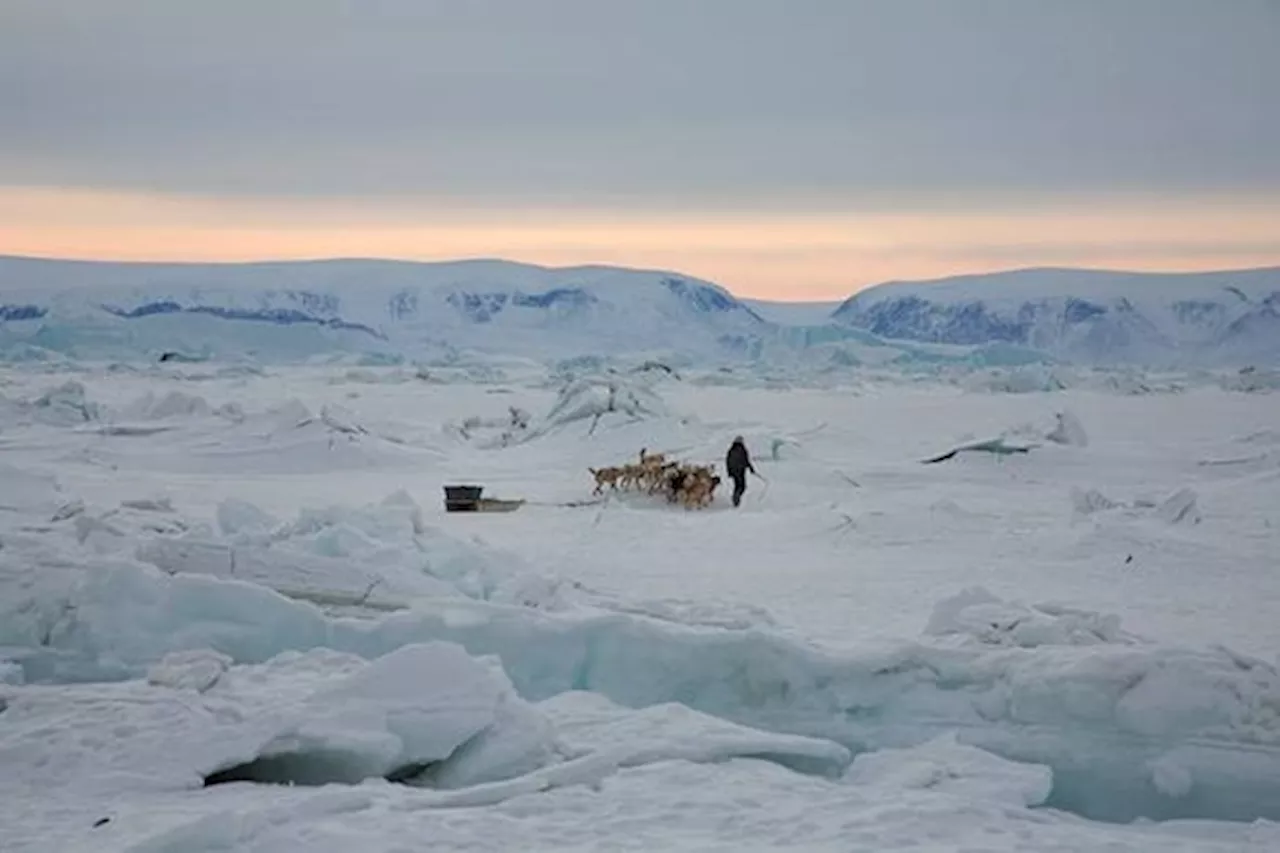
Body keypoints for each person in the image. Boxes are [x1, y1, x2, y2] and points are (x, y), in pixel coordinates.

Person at [725, 435, 756, 507]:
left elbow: (728, 461)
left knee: (737, 485)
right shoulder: (742, 449)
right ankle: (736, 497)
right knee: (742, 486)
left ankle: (736, 497)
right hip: (741, 470)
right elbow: (746, 460)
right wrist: (751, 469)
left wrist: (729, 472)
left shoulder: (731, 450)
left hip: (734, 471)